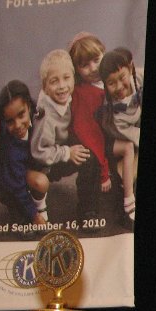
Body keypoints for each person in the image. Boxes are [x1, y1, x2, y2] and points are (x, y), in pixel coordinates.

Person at [30, 49, 101, 225]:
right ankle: (85, 211)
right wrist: (67, 152)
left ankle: (90, 205)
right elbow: (39, 152)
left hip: (60, 146)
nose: (62, 86)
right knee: (85, 156)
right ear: (45, 86)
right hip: (44, 162)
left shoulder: (68, 96)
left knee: (90, 153)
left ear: (73, 78)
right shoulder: (45, 116)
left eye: (66, 78)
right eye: (54, 81)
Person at [0, 80, 50, 225]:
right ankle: (19, 206)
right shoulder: (10, 149)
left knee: (43, 175)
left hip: (29, 165)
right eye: (10, 121)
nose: (18, 125)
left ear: (29, 106)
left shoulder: (38, 117)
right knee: (38, 184)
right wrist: (34, 215)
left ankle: (39, 204)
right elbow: (17, 185)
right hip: (10, 180)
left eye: (21, 115)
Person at [68, 32, 114, 198]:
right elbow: (91, 135)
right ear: (76, 69)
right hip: (87, 141)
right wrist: (104, 170)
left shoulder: (109, 80)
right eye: (85, 65)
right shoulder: (84, 94)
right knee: (89, 160)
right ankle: (87, 207)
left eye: (96, 60)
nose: (93, 68)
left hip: (107, 134)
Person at [97, 47, 141, 222]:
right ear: (104, 85)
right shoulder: (114, 114)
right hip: (113, 141)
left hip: (133, 133)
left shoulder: (139, 78)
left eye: (122, 77)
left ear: (130, 69)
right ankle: (128, 202)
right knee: (128, 151)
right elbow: (134, 137)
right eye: (111, 83)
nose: (119, 87)